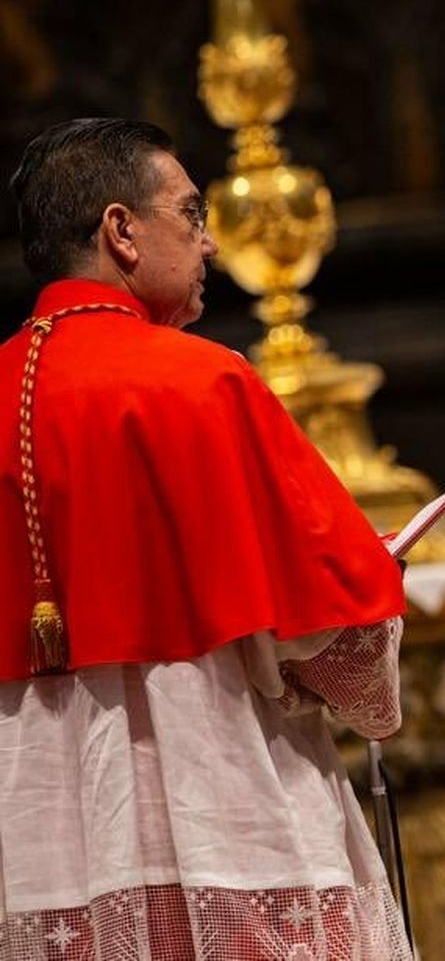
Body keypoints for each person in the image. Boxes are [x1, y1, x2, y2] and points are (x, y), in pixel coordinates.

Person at [0, 118, 411, 959]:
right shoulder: (200, 381)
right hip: (223, 802)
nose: (210, 243)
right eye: (190, 215)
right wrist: (373, 582)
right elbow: (338, 635)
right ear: (120, 230)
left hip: (41, 831)